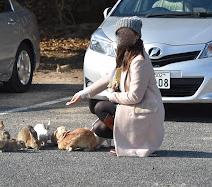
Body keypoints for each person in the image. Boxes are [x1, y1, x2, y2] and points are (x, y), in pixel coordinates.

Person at [66, 16, 165, 157]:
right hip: (133, 108)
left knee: (101, 107)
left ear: (137, 36)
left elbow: (135, 97)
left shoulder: (139, 60)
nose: (122, 36)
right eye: (120, 33)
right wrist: (83, 93)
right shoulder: (126, 54)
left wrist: (111, 95)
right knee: (99, 128)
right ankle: (126, 138)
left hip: (144, 109)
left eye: (127, 33)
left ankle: (132, 142)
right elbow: (109, 78)